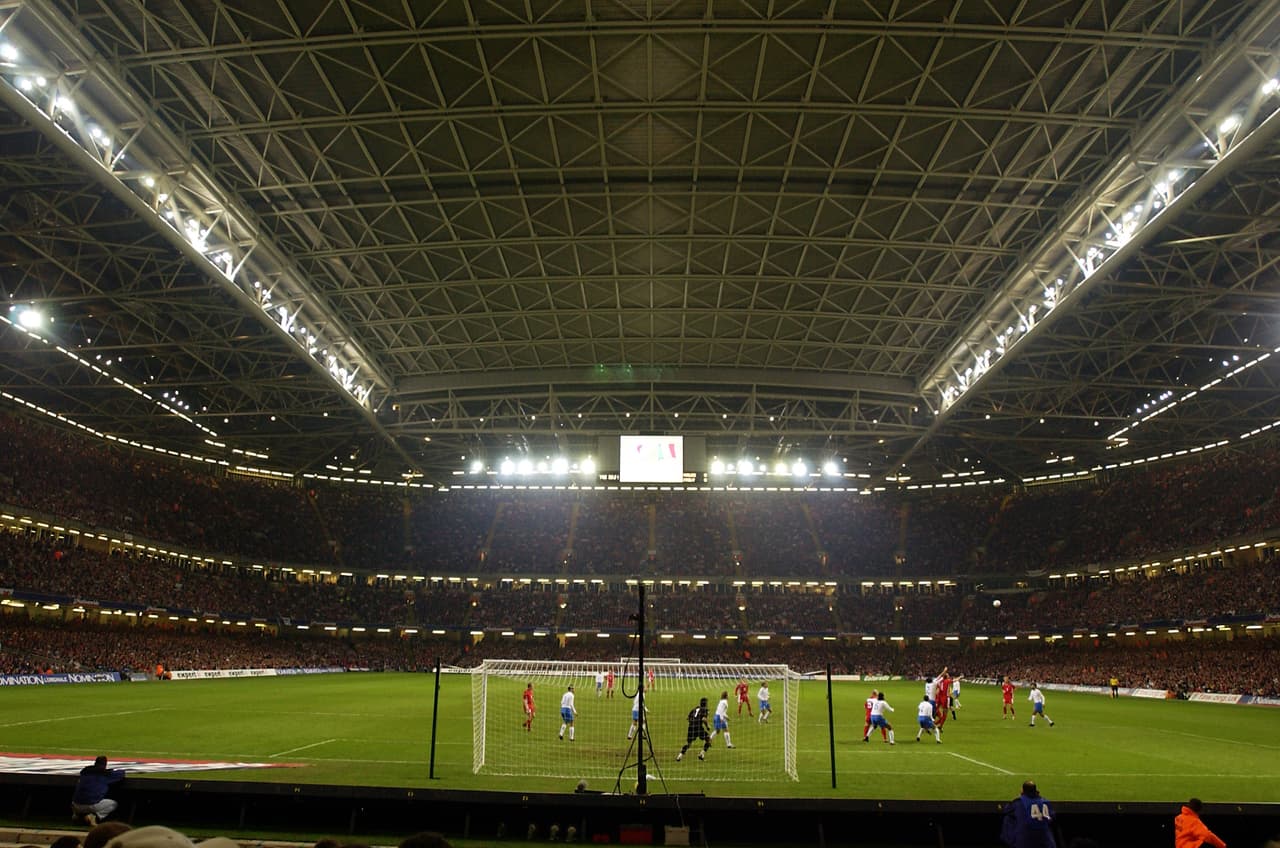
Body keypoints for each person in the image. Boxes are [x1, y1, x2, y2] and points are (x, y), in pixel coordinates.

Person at [1001, 780, 1057, 848]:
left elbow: (1007, 810)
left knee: (1008, 818)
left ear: (1023, 791)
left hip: (1024, 842)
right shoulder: (1045, 802)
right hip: (1046, 842)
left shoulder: (1019, 802)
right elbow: (1052, 817)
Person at [71, 756, 125, 825]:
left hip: (75, 805)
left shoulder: (85, 773)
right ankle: (94, 817)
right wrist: (110, 771)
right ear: (105, 765)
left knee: (83, 798)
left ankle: (78, 815)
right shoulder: (104, 774)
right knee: (113, 804)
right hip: (91, 805)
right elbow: (121, 774)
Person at [676, 697, 712, 761]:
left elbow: (688, 718)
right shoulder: (705, 709)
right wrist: (707, 726)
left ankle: (679, 756)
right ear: (706, 704)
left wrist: (692, 722)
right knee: (708, 739)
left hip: (691, 727)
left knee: (688, 743)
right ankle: (701, 754)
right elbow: (704, 719)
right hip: (698, 727)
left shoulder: (695, 708)